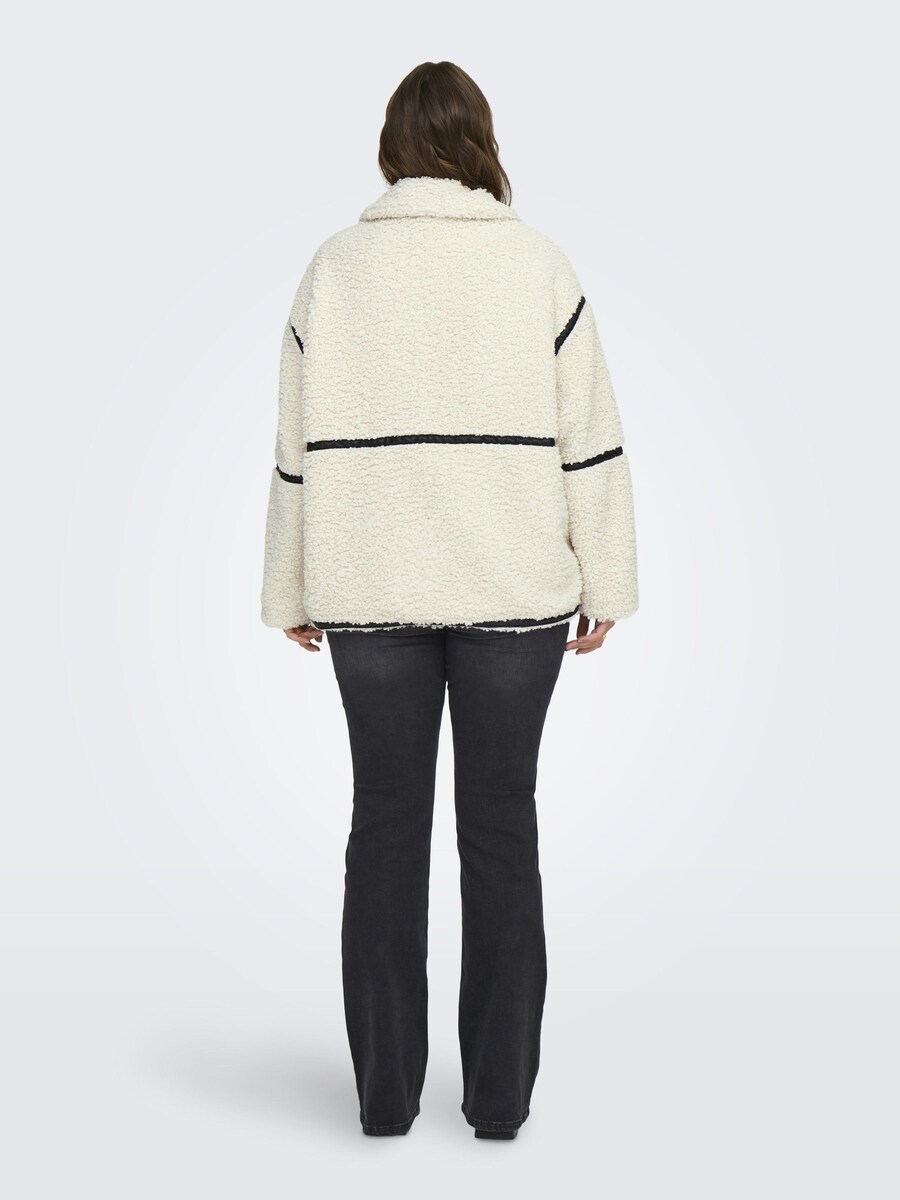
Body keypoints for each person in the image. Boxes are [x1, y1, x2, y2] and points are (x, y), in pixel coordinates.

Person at [260, 61, 638, 1140]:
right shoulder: (538, 264)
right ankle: (501, 1103)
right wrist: (607, 579)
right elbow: (589, 439)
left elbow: (295, 443)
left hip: (370, 587)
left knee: (383, 826)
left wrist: (290, 583)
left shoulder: (336, 268)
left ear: (393, 148)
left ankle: (384, 1099)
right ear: (481, 143)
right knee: (501, 830)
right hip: (515, 593)